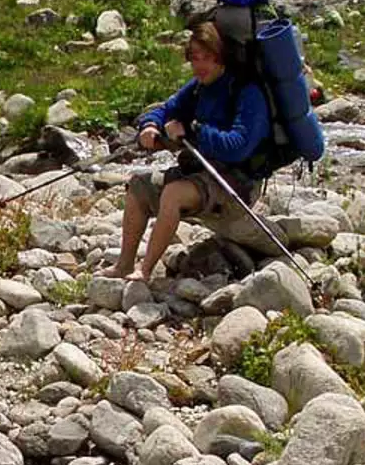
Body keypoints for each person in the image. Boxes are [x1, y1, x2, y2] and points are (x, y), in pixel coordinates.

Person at [109, 19, 270, 281]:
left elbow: (238, 147)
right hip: (200, 174)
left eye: (207, 57)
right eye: (195, 58)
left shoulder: (246, 92)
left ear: (222, 57)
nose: (199, 65)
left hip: (236, 184)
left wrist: (193, 132)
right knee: (138, 185)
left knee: (172, 194)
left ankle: (145, 270)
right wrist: (151, 125)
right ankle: (124, 265)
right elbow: (166, 109)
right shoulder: (198, 87)